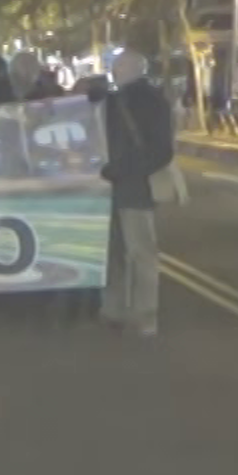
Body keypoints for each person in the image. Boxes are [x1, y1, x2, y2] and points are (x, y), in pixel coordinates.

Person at [99, 50, 174, 338]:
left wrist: (121, 170)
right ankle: (128, 313)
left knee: (134, 253)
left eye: (117, 67)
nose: (113, 72)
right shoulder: (122, 100)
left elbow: (160, 150)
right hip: (125, 186)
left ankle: (132, 312)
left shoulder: (143, 101)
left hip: (128, 186)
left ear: (130, 69)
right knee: (126, 252)